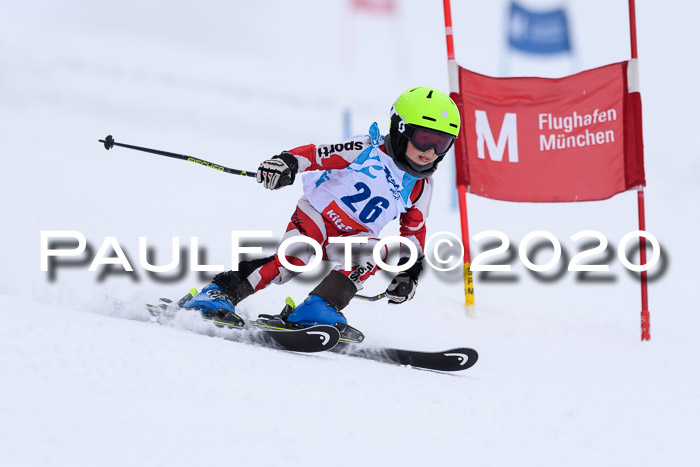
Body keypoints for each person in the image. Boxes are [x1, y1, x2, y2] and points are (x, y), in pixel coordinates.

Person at [182, 86, 461, 330]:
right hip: (317, 216)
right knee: (295, 260)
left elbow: (413, 231)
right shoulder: (366, 149)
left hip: (353, 237)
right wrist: (287, 163)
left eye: (443, 143)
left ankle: (317, 308)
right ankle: (218, 293)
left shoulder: (422, 186)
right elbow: (316, 154)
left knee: (373, 254)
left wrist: (409, 273)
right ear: (401, 130)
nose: (431, 152)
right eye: (425, 139)